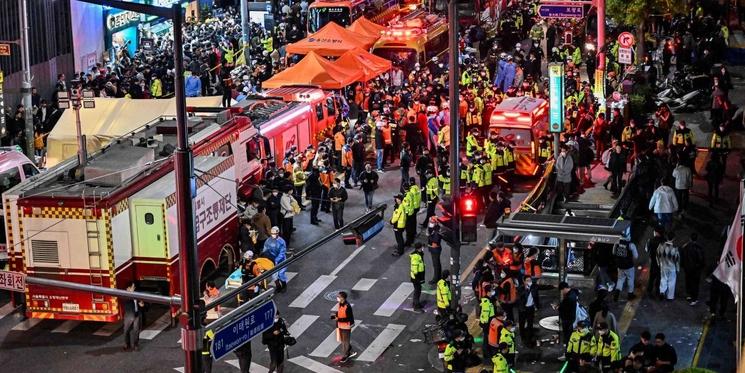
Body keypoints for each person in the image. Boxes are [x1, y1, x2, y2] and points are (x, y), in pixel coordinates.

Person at [680, 233, 705, 305]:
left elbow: (682, 257)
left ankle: (689, 295)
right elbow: (701, 260)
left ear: (690, 238)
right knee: (695, 284)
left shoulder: (685, 247)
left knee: (688, 281)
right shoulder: (699, 248)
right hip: (696, 270)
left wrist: (683, 265)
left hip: (687, 269)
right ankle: (694, 298)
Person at [612, 233, 639, 301]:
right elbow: (636, 256)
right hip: (629, 266)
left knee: (620, 279)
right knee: (630, 279)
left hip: (620, 265)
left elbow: (613, 252)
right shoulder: (631, 245)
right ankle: (630, 295)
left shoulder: (617, 243)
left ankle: (616, 294)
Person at [332, 291, 357, 362]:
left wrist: (338, 319)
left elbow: (348, 318)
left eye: (338, 297)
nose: (337, 298)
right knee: (343, 340)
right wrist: (335, 316)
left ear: (342, 298)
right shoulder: (340, 303)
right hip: (340, 325)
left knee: (344, 342)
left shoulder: (347, 306)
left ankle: (345, 355)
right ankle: (349, 349)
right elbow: (339, 312)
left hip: (346, 326)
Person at [263, 227, 288, 293]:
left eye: (275, 233)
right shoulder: (268, 240)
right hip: (272, 260)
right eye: (272, 233)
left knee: (281, 274)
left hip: (281, 261)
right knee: (274, 275)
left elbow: (282, 253)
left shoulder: (281, 242)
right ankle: (278, 287)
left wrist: (276, 260)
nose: (273, 235)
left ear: (278, 233)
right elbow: (265, 249)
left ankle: (284, 286)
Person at [122, 282, 145, 351]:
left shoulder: (136, 294)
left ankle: (136, 345)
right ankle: (127, 344)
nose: (134, 289)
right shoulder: (125, 295)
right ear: (128, 288)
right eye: (132, 287)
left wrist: (142, 304)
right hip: (129, 315)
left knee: (136, 330)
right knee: (126, 330)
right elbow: (127, 301)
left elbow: (141, 303)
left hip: (137, 314)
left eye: (134, 287)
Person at [657, 234, 680, 300]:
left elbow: (657, 255)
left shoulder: (660, 246)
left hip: (663, 266)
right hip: (672, 267)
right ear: (673, 239)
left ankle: (662, 292)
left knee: (663, 279)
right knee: (671, 281)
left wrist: (659, 264)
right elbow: (677, 260)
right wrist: (677, 269)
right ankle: (670, 297)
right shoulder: (675, 248)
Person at [517, 275, 540, 344]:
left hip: (531, 308)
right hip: (523, 309)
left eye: (530, 280)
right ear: (524, 282)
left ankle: (529, 337)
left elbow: (542, 287)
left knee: (530, 323)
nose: (529, 282)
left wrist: (554, 286)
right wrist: (527, 289)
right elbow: (521, 295)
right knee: (522, 324)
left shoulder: (534, 287)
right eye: (527, 280)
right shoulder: (520, 288)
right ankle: (522, 337)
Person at [557, 281, 578, 347]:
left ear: (564, 289)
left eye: (562, 290)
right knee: (569, 334)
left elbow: (564, 308)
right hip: (571, 317)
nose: (562, 292)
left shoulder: (569, 298)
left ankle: (568, 349)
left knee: (567, 335)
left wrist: (558, 307)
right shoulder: (573, 293)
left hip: (567, 319)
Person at [410, 243, 426, 311]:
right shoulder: (415, 256)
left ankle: (416, 303)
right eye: (422, 247)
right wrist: (417, 277)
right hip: (416, 277)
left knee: (418, 290)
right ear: (418, 248)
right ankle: (416, 306)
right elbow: (414, 268)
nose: (423, 248)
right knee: (417, 290)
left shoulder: (419, 254)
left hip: (419, 276)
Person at [428, 218, 443, 284]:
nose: (430, 223)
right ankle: (438, 276)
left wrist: (429, 236)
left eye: (432, 222)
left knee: (436, 264)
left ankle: (436, 278)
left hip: (435, 249)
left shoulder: (436, 230)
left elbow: (435, 240)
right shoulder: (433, 229)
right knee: (437, 264)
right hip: (433, 248)